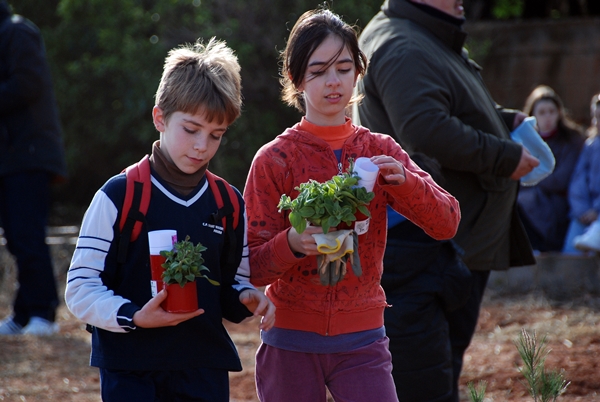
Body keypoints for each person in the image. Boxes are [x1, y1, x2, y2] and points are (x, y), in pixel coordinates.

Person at [243, 8, 461, 402]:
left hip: (363, 339)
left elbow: (447, 223)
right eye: (319, 70)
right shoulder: (275, 158)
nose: (333, 81)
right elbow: (251, 266)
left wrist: (407, 183)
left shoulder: (379, 151)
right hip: (289, 338)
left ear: (359, 72)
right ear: (296, 79)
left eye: (344, 68)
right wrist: (292, 242)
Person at [64, 38, 275, 402]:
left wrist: (249, 297)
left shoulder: (228, 202)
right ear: (160, 117)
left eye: (216, 135)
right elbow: (80, 288)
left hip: (203, 368)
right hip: (130, 370)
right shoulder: (119, 196)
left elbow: (231, 287)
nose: (201, 146)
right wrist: (132, 315)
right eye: (191, 129)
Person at [353, 1, 538, 400]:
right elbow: (424, 128)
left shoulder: (422, 33)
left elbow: (443, 105)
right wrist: (504, 157)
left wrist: (502, 121)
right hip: (423, 252)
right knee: (426, 382)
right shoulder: (402, 45)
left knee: (439, 370)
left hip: (446, 244)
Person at [0, 1, 68, 336]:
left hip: (29, 155)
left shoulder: (17, 30)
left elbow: (29, 83)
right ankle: (24, 314)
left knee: (27, 235)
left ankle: (44, 313)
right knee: (15, 238)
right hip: (9, 160)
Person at [382, 152, 472, 402]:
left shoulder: (367, 244)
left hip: (373, 364)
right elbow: (460, 289)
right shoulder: (434, 247)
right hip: (428, 363)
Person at [517, 85, 585, 252]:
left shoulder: (571, 141)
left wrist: (531, 177)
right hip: (531, 199)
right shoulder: (522, 140)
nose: (547, 117)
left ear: (559, 113)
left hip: (558, 204)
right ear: (533, 115)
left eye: (552, 111)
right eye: (542, 112)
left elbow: (560, 180)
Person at [563, 92, 600, 253]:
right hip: (585, 212)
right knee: (571, 249)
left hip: (597, 212)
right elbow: (578, 180)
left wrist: (597, 210)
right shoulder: (590, 145)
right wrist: (581, 209)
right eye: (596, 117)